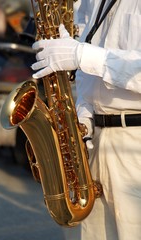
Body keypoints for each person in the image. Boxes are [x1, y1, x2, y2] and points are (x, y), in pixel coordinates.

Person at [31, 0, 141, 239]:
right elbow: (87, 74)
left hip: (135, 146)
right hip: (92, 145)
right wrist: (84, 110)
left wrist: (82, 55)